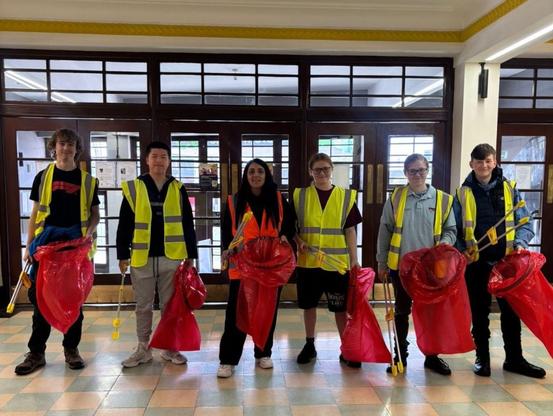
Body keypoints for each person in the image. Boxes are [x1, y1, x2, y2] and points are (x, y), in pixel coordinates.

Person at [453, 143, 545, 378]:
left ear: (495, 162)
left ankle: (514, 358)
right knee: (479, 312)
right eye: (479, 161)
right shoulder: (462, 193)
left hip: (507, 263)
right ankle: (482, 358)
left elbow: (524, 222)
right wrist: (462, 250)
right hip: (476, 263)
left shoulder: (509, 188)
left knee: (511, 311)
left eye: (488, 161)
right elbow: (454, 228)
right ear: (471, 164)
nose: (484, 166)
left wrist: (521, 243)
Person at [14, 129, 100, 375]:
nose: (66, 148)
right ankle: (36, 352)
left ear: (77, 148)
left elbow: (95, 214)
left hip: (74, 249)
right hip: (46, 249)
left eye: (71, 144)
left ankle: (71, 349)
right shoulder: (43, 177)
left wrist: (89, 232)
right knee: (42, 301)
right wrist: (29, 246)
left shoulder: (87, 181)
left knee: (73, 301)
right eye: (62, 144)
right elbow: (35, 213)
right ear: (54, 147)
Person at [117, 141, 198, 368]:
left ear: (169, 161)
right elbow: (125, 223)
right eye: (155, 156)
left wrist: (191, 253)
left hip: (171, 257)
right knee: (142, 306)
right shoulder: (135, 187)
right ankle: (143, 348)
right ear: (147, 160)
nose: (159, 161)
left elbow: (187, 224)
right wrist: (122, 253)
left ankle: (170, 348)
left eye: (163, 157)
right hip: (141, 257)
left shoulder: (177, 187)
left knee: (170, 306)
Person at [376, 153, 456, 375]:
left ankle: (432, 356)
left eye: (421, 170)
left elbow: (451, 230)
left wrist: (444, 245)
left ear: (427, 170)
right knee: (401, 312)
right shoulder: (396, 198)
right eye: (412, 171)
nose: (417, 175)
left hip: (431, 270)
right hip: (401, 268)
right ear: (406, 173)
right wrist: (381, 261)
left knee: (431, 313)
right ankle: (400, 355)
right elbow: (385, 230)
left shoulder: (443, 199)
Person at [217, 158, 296, 378]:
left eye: (260, 171)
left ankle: (263, 353)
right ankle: (228, 360)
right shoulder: (234, 201)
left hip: (271, 265)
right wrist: (227, 249)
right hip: (242, 266)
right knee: (237, 312)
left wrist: (284, 237)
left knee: (266, 310)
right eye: (251, 171)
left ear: (266, 175)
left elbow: (290, 224)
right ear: (246, 175)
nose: (255, 175)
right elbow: (226, 231)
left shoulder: (279, 199)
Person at [293, 153, 362, 367]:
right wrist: (298, 240)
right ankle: (309, 344)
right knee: (309, 306)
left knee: (340, 309)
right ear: (310, 172)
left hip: (336, 265)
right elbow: (291, 228)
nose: (321, 173)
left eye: (325, 169)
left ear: (332, 170)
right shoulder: (299, 196)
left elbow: (350, 230)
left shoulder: (345, 197)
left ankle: (346, 348)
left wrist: (354, 259)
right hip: (308, 263)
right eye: (317, 169)